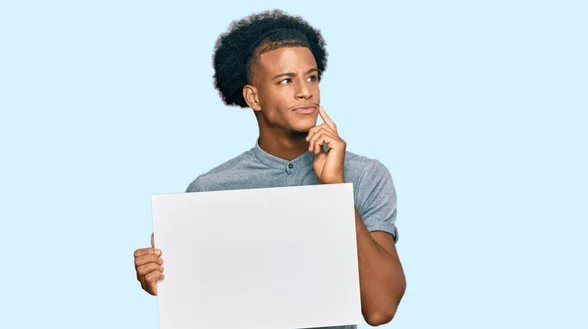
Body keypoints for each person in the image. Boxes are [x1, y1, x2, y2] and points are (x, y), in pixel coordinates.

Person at [133, 9, 406, 328]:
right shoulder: (208, 190)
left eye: (312, 76)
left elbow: (381, 309)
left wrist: (336, 188)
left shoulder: (365, 175)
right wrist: (164, 280)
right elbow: (204, 309)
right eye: (286, 80)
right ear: (254, 97)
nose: (306, 91)